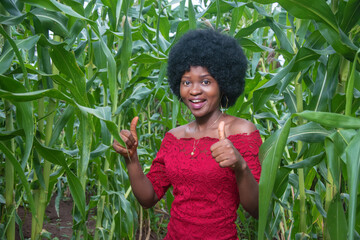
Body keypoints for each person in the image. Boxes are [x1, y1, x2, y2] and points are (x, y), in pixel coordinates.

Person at [113, 29, 262, 240]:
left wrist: (241, 166)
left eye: (206, 81)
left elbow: (257, 210)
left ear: (224, 84)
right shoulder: (174, 138)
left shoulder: (242, 132)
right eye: (186, 82)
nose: (194, 90)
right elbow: (149, 198)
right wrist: (131, 159)